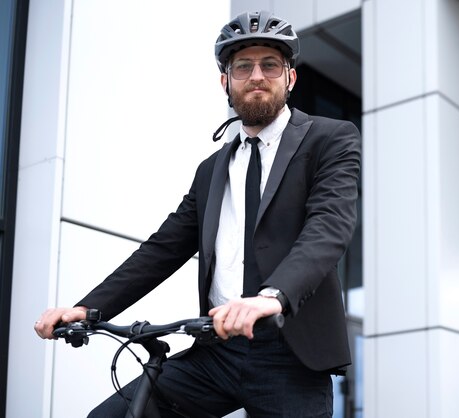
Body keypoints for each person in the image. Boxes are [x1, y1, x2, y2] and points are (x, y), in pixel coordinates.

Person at [34, 10, 360, 418]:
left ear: (290, 78)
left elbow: (329, 227)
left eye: (270, 64)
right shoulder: (212, 169)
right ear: (226, 82)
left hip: (290, 356)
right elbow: (163, 248)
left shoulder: (330, 139)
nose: (256, 75)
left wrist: (271, 297)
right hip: (217, 351)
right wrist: (87, 308)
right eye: (243, 66)